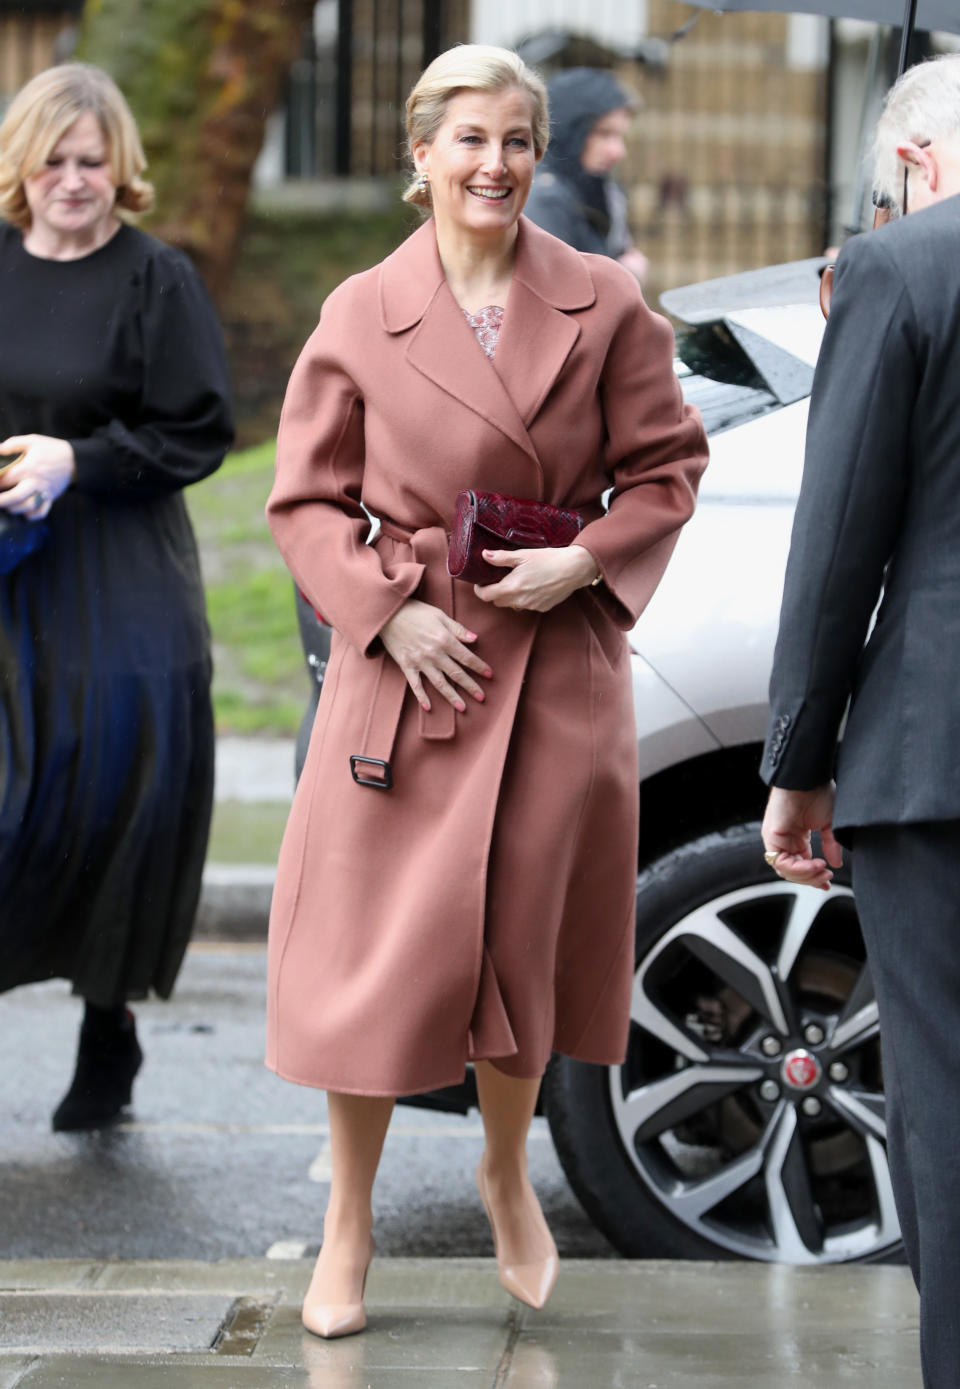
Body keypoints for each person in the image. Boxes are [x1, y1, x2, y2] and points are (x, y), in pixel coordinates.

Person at [266, 43, 707, 1339]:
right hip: (407, 680)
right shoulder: (360, 311)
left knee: (519, 949)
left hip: (554, 673)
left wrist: (585, 556)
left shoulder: (604, 302)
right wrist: (385, 614)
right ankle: (347, 1225)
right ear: (421, 155)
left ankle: (506, 1168)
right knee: (372, 966)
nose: (497, 163)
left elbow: (668, 468)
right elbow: (301, 500)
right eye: (469, 139)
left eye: (517, 139)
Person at [759, 53, 960, 1389]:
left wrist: (799, 760)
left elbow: (840, 544)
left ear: (913, 161)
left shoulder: (903, 270)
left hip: (937, 755)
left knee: (949, 1107)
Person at [0, 64, 233, 1131]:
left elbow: (198, 431)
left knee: (107, 803)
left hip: (122, 589)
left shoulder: (157, 281)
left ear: (121, 167)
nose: (74, 181)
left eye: (93, 162)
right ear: (23, 165)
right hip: (11, 582)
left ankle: (108, 1022)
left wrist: (78, 462)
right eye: (55, 160)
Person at [523, 66, 648, 281]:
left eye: (619, 136)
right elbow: (558, 288)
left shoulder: (596, 188)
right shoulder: (545, 195)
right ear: (571, 130)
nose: (618, 152)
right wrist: (626, 273)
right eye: (604, 134)